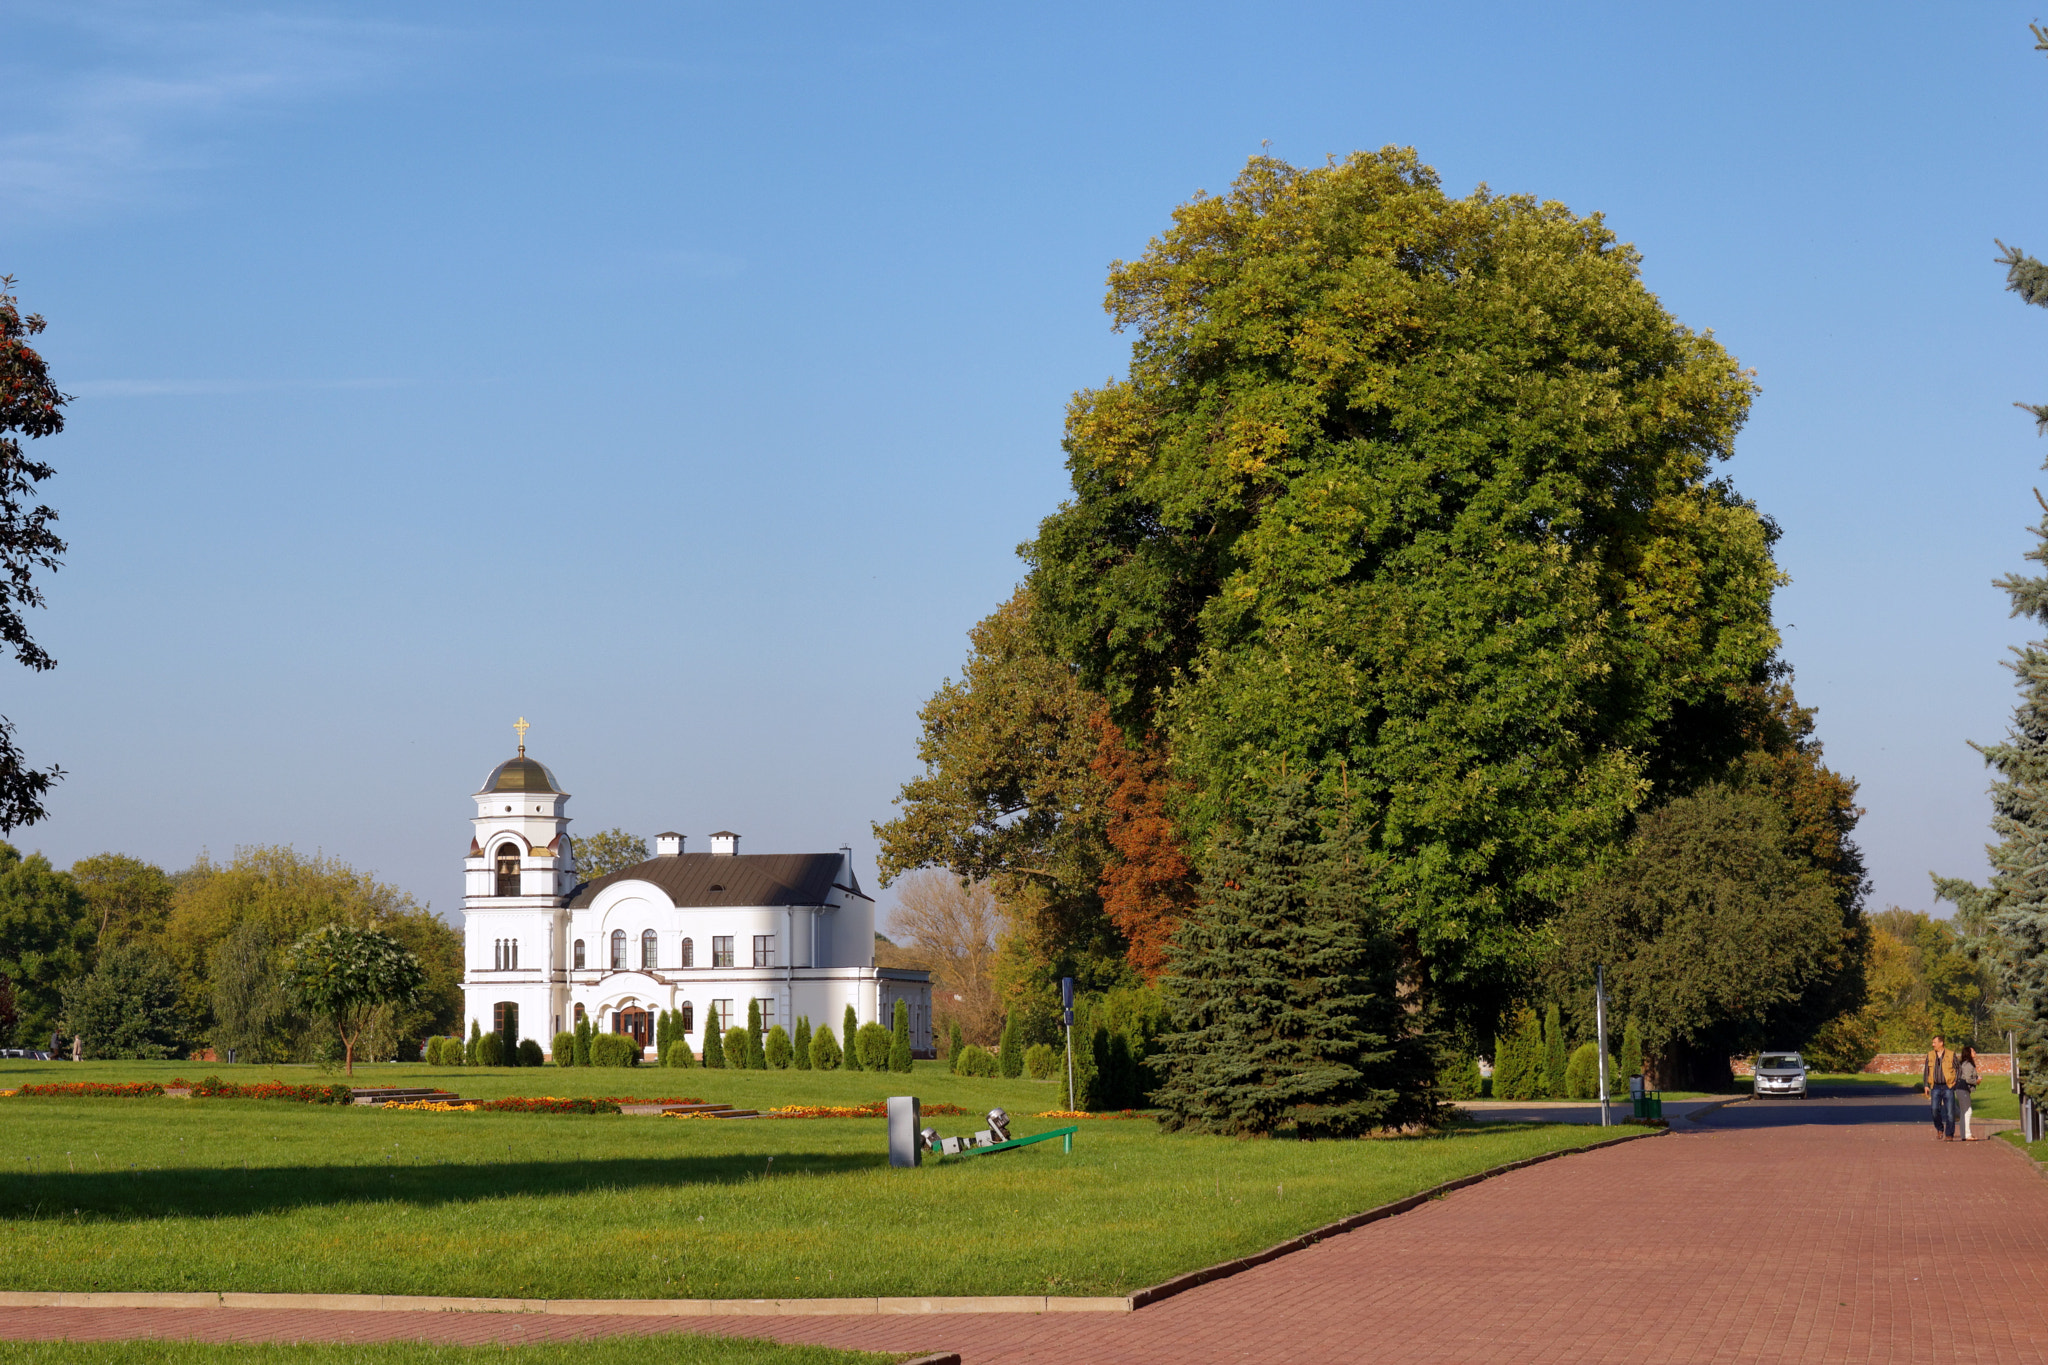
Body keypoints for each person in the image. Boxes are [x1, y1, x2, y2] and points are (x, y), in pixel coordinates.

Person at [1923, 1035, 1957, 1141]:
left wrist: (1955, 1081)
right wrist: (1926, 1085)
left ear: (1941, 1043)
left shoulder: (1951, 1054)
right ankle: (1939, 1128)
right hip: (1935, 1086)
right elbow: (1926, 1071)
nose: (1933, 1045)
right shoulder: (1930, 1055)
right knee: (1934, 1109)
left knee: (1950, 1112)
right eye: (1933, 1043)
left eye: (1935, 1042)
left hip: (1948, 1086)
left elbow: (1958, 1069)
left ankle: (1949, 1134)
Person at [1956, 1044, 1981, 1141]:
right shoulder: (1968, 1065)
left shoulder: (1964, 1064)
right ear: (1969, 1053)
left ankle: (1964, 1134)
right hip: (1963, 1089)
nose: (1975, 1053)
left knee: (1963, 1112)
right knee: (1967, 1111)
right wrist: (1977, 1081)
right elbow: (1967, 1079)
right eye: (1973, 1051)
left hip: (1960, 1088)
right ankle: (1967, 1134)